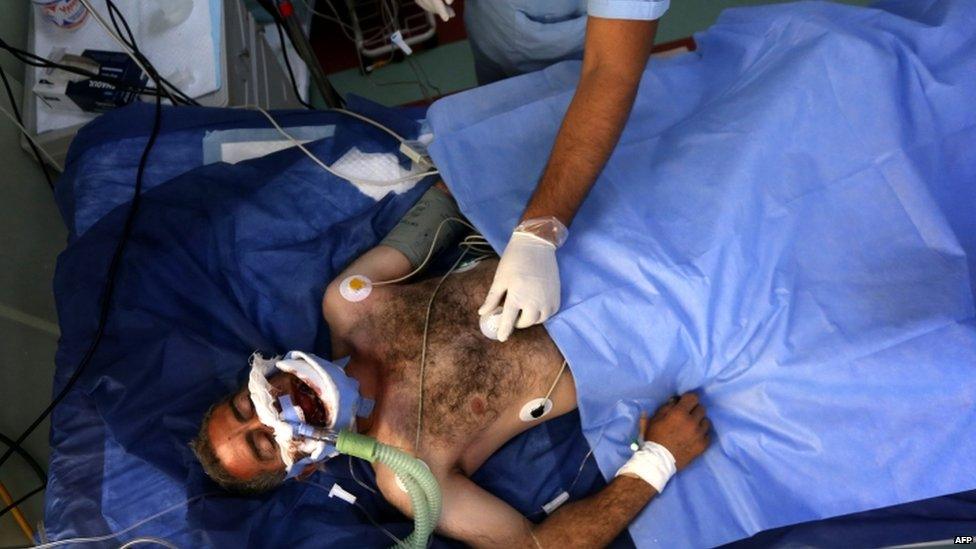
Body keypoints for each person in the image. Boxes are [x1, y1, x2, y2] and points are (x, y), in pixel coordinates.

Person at [192, 183, 712, 547]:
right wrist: (659, 459)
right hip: (658, 330)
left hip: (595, 233)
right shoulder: (411, 477)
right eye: (264, 441)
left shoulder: (350, 301)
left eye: (247, 406)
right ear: (309, 463)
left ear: (261, 374)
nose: (273, 413)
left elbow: (444, 202)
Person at [414, 0, 670, 342]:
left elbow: (610, 72)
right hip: (495, 21)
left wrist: (541, 231)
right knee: (497, 99)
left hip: (568, 40)